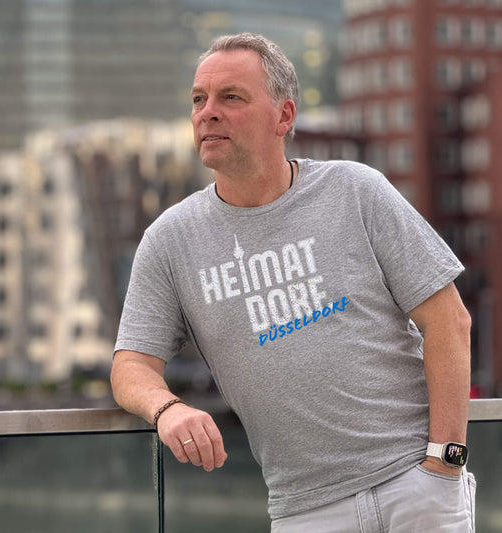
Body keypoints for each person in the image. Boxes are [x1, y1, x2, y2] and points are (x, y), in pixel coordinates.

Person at [111, 33, 476, 531]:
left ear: (283, 117)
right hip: (305, 509)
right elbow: (130, 363)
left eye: (231, 97)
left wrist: (444, 463)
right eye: (199, 99)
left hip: (415, 483)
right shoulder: (170, 240)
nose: (207, 112)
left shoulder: (356, 190)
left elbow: (449, 321)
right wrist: (167, 409)